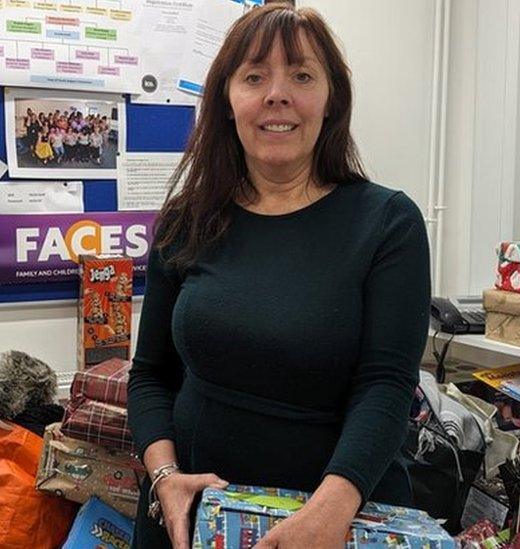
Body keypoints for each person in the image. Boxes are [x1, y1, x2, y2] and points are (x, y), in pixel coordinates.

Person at [127, 5, 430, 548]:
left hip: (336, 519)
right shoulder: (185, 219)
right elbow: (151, 375)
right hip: (191, 516)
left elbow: (386, 388)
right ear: (227, 100)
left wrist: (326, 515)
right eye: (254, 76)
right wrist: (165, 480)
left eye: (302, 75)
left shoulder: (387, 224)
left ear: (332, 98)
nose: (277, 94)